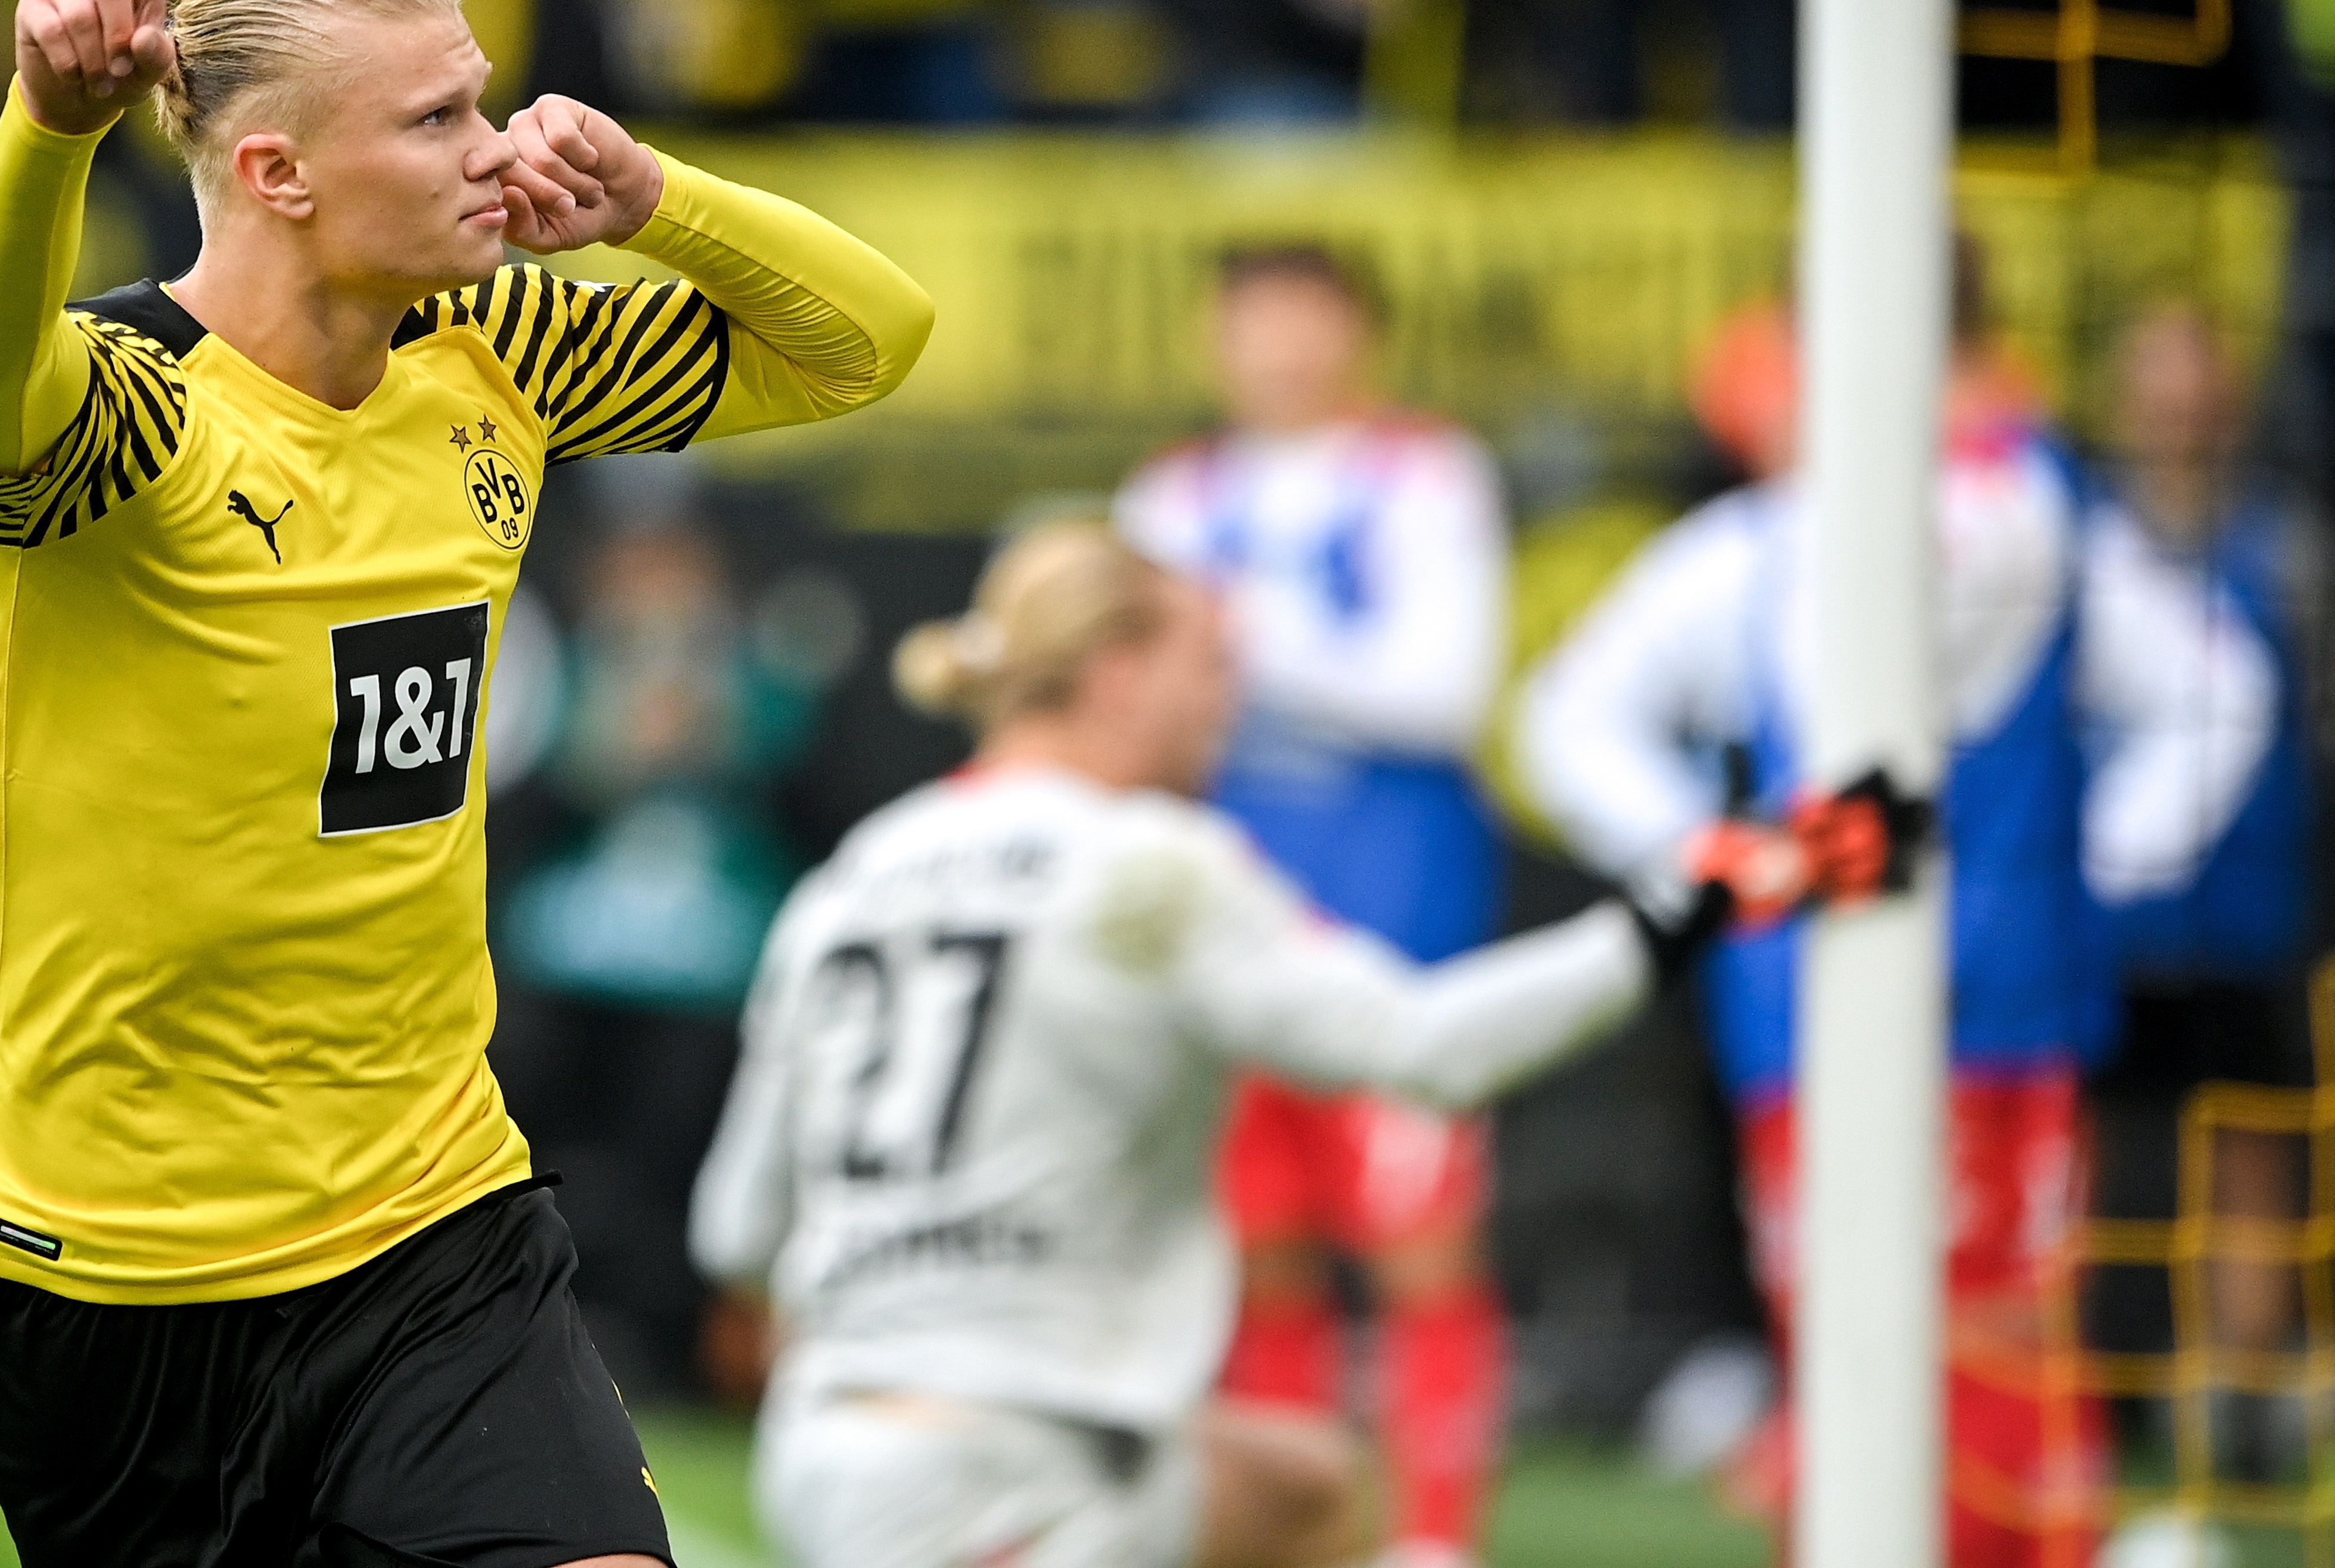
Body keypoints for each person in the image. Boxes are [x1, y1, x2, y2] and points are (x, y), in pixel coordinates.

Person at [0, 0, 932, 1568]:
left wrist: (655, 199)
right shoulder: (130, 426)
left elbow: (866, 343)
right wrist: (44, 131)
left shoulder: (491, 356)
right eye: (439, 119)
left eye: (486, 99)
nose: (494, 149)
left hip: (430, 1220)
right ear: (276, 172)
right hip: (114, 1263)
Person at [689, 518, 1900, 1568]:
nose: (1231, 699)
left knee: (1313, 1493)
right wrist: (1678, 910)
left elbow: (737, 1228)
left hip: (829, 1448)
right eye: (1210, 662)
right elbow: (1431, 1048)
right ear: (1114, 670)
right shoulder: (1145, 870)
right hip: (1019, 1467)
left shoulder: (849, 883)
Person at [1518, 258, 2274, 1568]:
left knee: (1996, 1327)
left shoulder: (2027, 514)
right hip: (1800, 1020)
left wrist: (2107, 862)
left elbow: (2215, 691)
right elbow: (1566, 720)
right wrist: (1710, 854)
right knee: (1848, 1334)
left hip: (2004, 1009)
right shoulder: (1763, 545)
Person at [1114, 244, 1512, 1567]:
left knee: (1421, 1246)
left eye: (1306, 321)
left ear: (1361, 334)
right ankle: (1303, 1533)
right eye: (1252, 323)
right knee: (1259, 1254)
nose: (1279, 349)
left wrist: (1243, 640)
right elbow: (1134, 720)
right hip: (1224, 930)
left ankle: (1435, 1542)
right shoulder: (1171, 493)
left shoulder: (1427, 475)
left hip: (1396, 925)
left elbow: (1442, 692)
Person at [2086, 304, 2320, 1476]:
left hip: (2252, 911)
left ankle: (2243, 1412)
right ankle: (2087, 1394)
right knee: (2088, 1152)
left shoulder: (2287, 551)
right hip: (2106, 920)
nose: (2180, 416)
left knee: (2253, 1152)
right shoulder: (2076, 541)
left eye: (2199, 391)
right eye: (2159, 390)